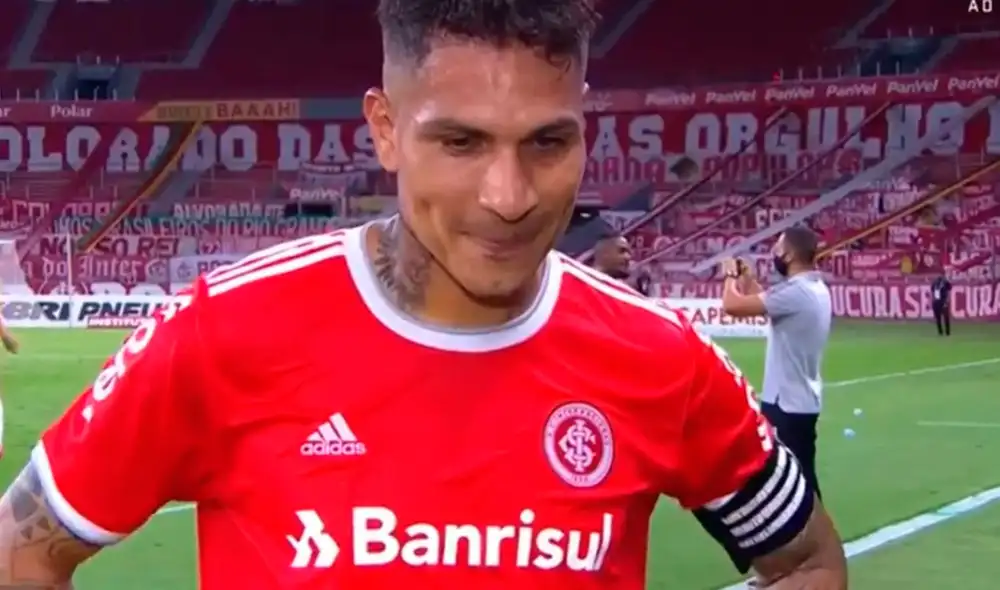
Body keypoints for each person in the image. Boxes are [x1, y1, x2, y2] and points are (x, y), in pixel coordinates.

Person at [0, 1, 846, 588]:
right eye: (461, 142)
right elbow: (22, 556)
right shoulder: (225, 333)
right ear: (385, 130)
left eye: (548, 142)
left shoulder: (660, 359)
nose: (508, 195)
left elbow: (808, 561)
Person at [720, 226, 832, 501]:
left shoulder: (796, 292)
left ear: (790, 254)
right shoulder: (814, 288)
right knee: (798, 479)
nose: (774, 253)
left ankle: (817, 539)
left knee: (791, 485)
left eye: (778, 247)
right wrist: (748, 281)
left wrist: (730, 276)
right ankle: (817, 537)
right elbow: (767, 305)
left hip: (786, 404)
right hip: (800, 400)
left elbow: (732, 306)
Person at [591, 229, 651, 295]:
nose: (628, 257)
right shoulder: (585, 287)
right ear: (604, 253)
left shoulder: (625, 289)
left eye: (629, 253)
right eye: (622, 251)